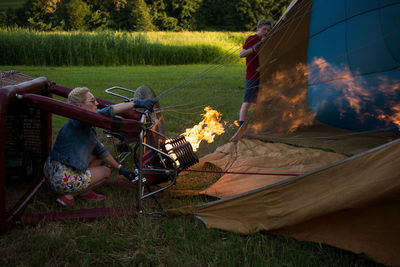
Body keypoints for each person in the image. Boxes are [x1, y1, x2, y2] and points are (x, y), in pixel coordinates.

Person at [43, 87, 155, 207]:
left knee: (98, 154)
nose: (97, 103)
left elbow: (101, 150)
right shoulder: (79, 121)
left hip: (53, 173)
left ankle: (81, 189)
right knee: (106, 172)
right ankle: (69, 196)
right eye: (92, 101)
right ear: (80, 107)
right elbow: (106, 112)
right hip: (62, 180)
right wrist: (136, 103)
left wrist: (120, 168)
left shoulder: (79, 124)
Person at [238, 19, 272, 127]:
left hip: (261, 76)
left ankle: (259, 124)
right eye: (264, 29)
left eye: (268, 30)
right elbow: (241, 54)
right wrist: (253, 49)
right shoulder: (252, 39)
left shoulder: (265, 41)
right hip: (251, 76)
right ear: (258, 28)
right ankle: (241, 126)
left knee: (260, 101)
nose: (266, 32)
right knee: (247, 102)